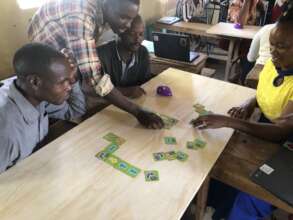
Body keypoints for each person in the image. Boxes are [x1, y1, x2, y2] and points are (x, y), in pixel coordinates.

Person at [191, 6, 293, 220]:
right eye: (272, 44)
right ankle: (212, 209)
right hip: (264, 131)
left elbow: (281, 132)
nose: (273, 51)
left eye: (282, 46)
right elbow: (263, 94)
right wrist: (248, 104)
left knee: (248, 198)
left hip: (285, 148)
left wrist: (229, 122)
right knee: (217, 164)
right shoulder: (274, 66)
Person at [28, 0, 163, 129]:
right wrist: (137, 112)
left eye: (131, 19)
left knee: (76, 107)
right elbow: (96, 79)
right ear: (106, 4)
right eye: (123, 17)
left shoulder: (102, 11)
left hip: (62, 53)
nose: (128, 25)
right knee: (56, 109)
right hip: (44, 54)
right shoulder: (81, 18)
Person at [0, 43, 86, 173]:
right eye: (63, 82)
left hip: (37, 166)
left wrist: (71, 78)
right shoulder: (7, 132)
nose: (69, 87)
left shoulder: (33, 92)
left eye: (70, 81)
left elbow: (74, 110)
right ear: (35, 82)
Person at [97, 15, 152, 99]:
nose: (137, 39)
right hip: (105, 105)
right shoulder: (102, 55)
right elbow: (96, 90)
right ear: (120, 33)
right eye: (132, 34)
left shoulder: (143, 52)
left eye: (141, 34)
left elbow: (145, 84)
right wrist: (126, 91)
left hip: (132, 102)